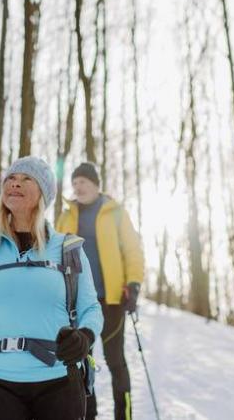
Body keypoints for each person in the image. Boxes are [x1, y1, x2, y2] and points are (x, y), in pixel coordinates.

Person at [0, 156, 104, 420]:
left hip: (59, 379)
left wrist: (84, 337)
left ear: (43, 193)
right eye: (11, 178)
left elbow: (91, 308)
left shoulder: (68, 248)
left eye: (27, 179)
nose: (15, 184)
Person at [55, 162, 145, 420]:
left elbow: (132, 250)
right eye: (74, 183)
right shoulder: (66, 216)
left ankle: (123, 416)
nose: (78, 187)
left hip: (112, 300)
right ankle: (88, 415)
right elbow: (55, 253)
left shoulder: (115, 212)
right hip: (78, 302)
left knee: (115, 360)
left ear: (95, 184)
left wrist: (134, 284)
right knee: (82, 360)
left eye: (83, 182)